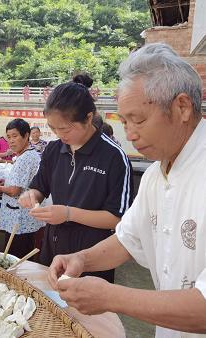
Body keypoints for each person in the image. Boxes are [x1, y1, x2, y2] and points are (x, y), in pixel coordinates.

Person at [46, 43, 206, 336]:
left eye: (139, 120)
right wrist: (82, 258)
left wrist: (111, 296)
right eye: (125, 122)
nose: (130, 135)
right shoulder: (156, 175)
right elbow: (128, 239)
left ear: (182, 107)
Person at [18, 81, 133, 283]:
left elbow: (117, 218)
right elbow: (39, 187)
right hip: (53, 248)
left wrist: (68, 214)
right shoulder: (54, 150)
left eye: (65, 129)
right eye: (53, 128)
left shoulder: (113, 157)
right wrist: (31, 196)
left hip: (94, 255)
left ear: (89, 118)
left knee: (83, 312)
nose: (59, 135)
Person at [0, 118, 44, 258]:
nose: (11, 141)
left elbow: (15, 190)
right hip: (21, 219)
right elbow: (21, 183)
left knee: (15, 259)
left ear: (26, 135)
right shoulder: (26, 155)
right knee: (22, 256)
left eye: (15, 136)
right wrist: (6, 183)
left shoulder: (26, 157)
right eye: (8, 137)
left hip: (20, 221)